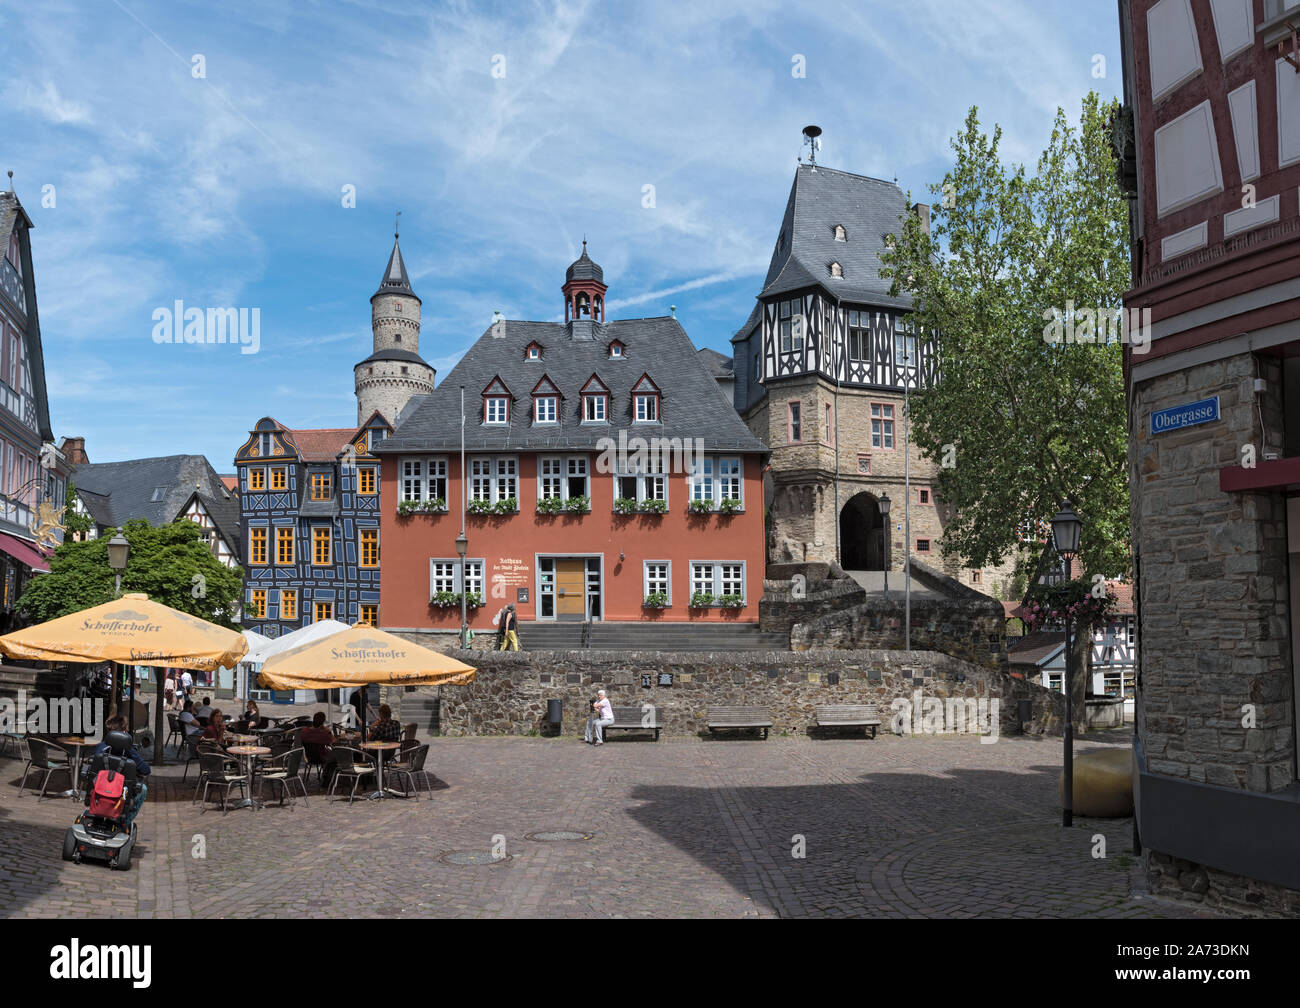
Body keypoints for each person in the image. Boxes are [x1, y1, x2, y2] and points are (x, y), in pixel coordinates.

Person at [88, 715, 150, 828]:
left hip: (99, 791)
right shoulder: (129, 751)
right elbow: (146, 770)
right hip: (122, 794)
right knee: (143, 789)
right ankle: (125, 822)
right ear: (124, 732)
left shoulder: (101, 748)